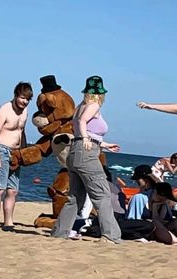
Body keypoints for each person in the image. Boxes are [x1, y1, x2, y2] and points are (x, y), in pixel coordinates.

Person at [51, 75, 122, 244]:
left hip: (75, 152)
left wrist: (104, 144)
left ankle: (60, 232)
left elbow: (85, 128)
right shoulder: (94, 105)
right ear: (100, 93)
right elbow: (83, 124)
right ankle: (110, 235)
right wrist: (86, 139)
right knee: (102, 194)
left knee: (75, 197)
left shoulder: (80, 106)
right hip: (86, 153)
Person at [0, 82, 33, 229]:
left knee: (13, 190)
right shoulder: (4, 109)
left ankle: (8, 221)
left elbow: (22, 132)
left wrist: (24, 151)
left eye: (27, 99)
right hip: (1, 149)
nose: (24, 102)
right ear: (16, 95)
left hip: (16, 153)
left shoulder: (25, 112)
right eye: (22, 98)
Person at [126, 178, 177, 245]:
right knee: (154, 223)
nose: (161, 201)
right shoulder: (139, 198)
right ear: (155, 192)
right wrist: (154, 209)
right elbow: (133, 220)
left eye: (164, 199)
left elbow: (167, 219)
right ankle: (173, 239)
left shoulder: (163, 203)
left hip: (160, 228)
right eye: (160, 198)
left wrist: (160, 207)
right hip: (144, 228)